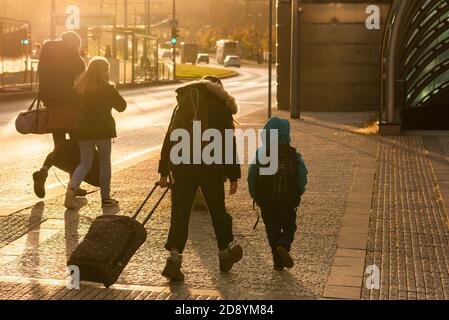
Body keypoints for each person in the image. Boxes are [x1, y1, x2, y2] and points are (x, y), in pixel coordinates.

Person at [158, 76, 242, 281]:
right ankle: (224, 252)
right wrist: (233, 175)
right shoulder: (221, 106)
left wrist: (163, 171)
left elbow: (169, 137)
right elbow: (227, 143)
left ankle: (174, 259)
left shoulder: (184, 103)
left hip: (182, 167)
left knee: (180, 214)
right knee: (217, 211)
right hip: (210, 167)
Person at [64, 57, 127, 209]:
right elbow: (122, 106)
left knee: (85, 162)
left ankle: (72, 188)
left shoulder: (80, 88)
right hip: (103, 130)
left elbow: (72, 105)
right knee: (105, 163)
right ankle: (106, 198)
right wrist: (112, 89)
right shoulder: (108, 89)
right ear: (104, 71)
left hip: (84, 130)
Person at [248, 117, 308, 270]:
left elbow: (252, 174)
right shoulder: (294, 155)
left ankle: (277, 260)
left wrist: (255, 194)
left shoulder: (262, 153)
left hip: (267, 202)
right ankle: (284, 245)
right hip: (288, 201)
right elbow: (302, 175)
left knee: (272, 229)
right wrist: (298, 192)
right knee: (289, 226)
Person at [33, 31, 86, 199]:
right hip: (72, 108)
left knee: (61, 147)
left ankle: (43, 172)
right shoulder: (76, 60)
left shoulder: (50, 57)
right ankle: (73, 186)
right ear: (75, 44)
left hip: (54, 107)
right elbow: (81, 85)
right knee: (76, 148)